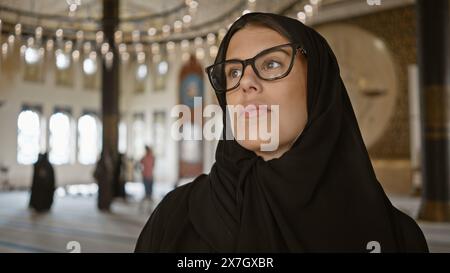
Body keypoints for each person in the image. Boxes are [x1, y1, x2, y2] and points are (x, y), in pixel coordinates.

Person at [135, 12, 428, 252]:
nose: (246, 82)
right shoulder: (176, 217)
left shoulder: (395, 237)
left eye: (271, 64)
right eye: (234, 72)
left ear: (317, 87)